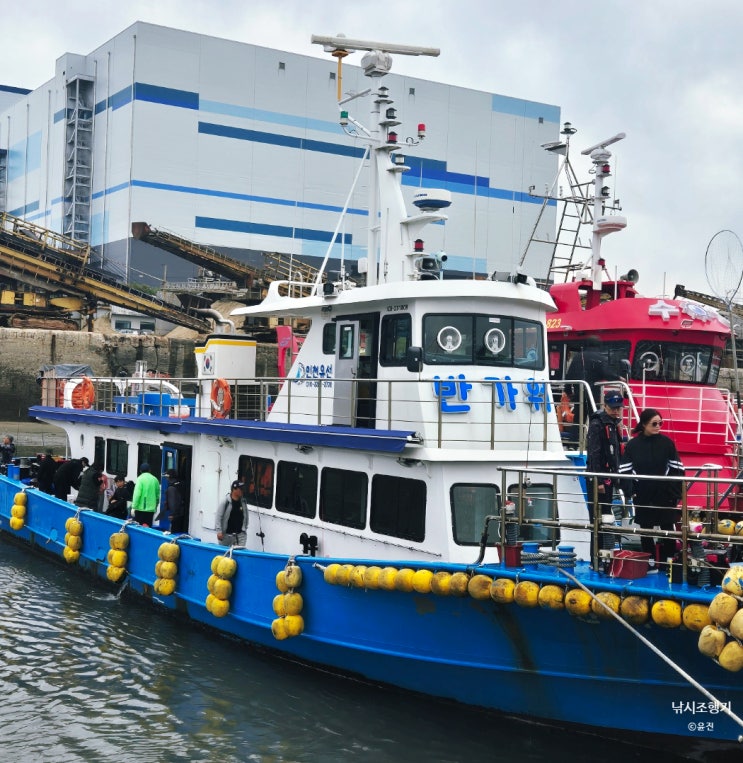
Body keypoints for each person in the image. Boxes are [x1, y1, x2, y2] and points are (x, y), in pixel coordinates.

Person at [619, 408, 685, 570]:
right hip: (643, 494)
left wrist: (674, 493)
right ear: (643, 424)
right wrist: (631, 491)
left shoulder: (667, 443)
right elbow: (625, 470)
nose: (658, 426)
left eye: (660, 423)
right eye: (654, 424)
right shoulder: (633, 445)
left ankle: (668, 561)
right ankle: (649, 561)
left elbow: (677, 468)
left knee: (668, 528)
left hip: (665, 495)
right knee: (646, 530)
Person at [585, 390, 626, 563]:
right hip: (600, 479)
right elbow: (594, 453)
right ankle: (596, 558)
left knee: (606, 517)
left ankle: (604, 556)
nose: (616, 411)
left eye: (618, 408)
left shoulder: (613, 424)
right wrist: (599, 481)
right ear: (605, 406)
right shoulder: (597, 424)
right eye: (612, 408)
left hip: (609, 477)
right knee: (598, 519)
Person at [564, 337, 621, 427]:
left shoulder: (578, 357)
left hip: (579, 394)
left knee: (578, 421)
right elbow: (606, 373)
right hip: (593, 394)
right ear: (598, 345)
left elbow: (570, 375)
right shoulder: (600, 358)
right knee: (594, 418)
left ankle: (576, 435)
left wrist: (568, 391)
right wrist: (618, 377)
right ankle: (594, 434)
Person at [216, 480, 248, 546]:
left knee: (240, 551)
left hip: (240, 536)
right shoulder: (225, 501)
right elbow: (218, 517)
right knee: (225, 552)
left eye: (243, 489)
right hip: (226, 535)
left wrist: (244, 529)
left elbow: (246, 516)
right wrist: (219, 531)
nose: (242, 491)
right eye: (240, 489)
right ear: (234, 489)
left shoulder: (243, 502)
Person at [131, 462, 160, 527]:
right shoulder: (155, 479)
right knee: (148, 528)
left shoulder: (140, 479)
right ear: (149, 470)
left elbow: (137, 494)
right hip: (151, 510)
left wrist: (134, 507)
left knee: (139, 527)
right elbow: (157, 496)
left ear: (140, 471)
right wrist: (155, 506)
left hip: (140, 509)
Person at [164, 469, 187, 533]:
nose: (166, 479)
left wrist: (172, 514)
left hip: (176, 515)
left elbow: (173, 502)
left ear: (169, 477)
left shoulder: (171, 488)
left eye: (166, 477)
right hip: (183, 513)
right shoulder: (181, 484)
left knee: (174, 532)